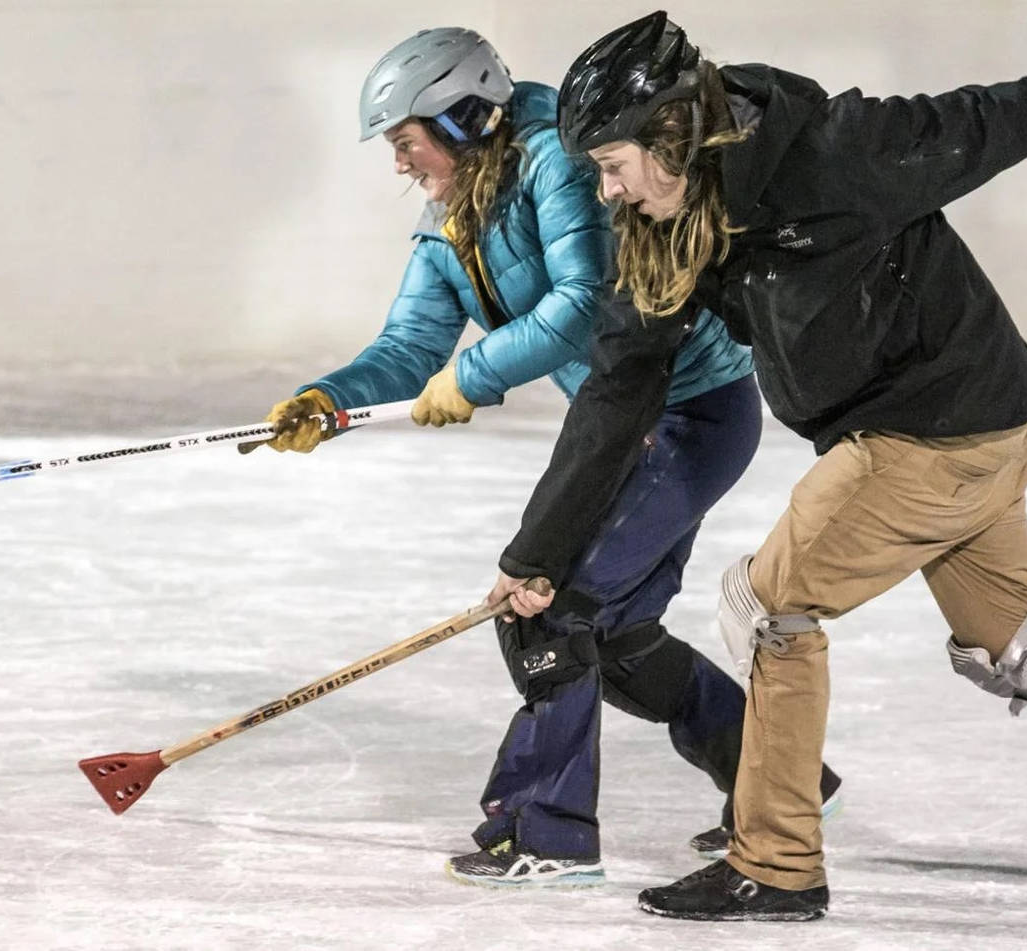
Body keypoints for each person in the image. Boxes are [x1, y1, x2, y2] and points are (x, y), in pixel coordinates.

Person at [487, 9, 1027, 921]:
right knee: (1016, 650)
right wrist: (540, 555)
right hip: (965, 434)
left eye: (610, 166)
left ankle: (777, 862)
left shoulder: (840, 151)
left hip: (935, 431)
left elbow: (1008, 114)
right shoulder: (670, 225)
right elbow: (618, 393)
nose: (607, 192)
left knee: (766, 608)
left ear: (669, 129)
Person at [260, 26, 840, 887]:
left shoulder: (559, 166)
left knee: (548, 608)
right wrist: (330, 399)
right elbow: (411, 341)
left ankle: (545, 828)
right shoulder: (449, 219)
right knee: (617, 636)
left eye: (405, 140)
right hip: (624, 430)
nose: (400, 163)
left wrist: (474, 374)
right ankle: (778, 779)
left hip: (688, 414)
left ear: (460, 119)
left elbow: (581, 306)